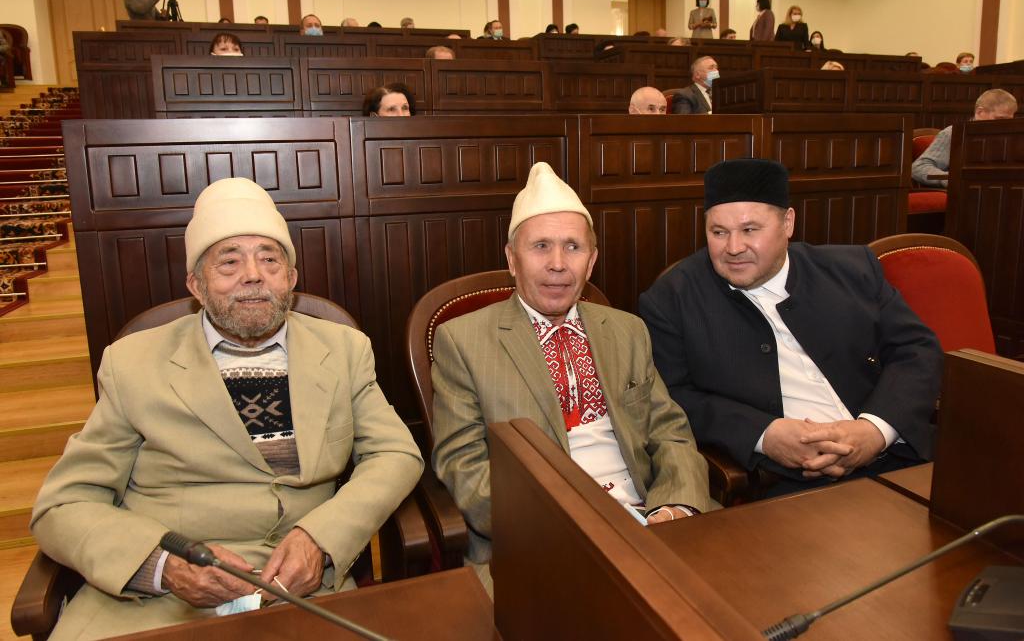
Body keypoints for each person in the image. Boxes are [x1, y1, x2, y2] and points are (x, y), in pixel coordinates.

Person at [30, 177, 423, 639]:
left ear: (291, 278)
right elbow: (64, 504)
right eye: (229, 261)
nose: (253, 275)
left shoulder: (343, 349)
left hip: (301, 588)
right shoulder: (132, 363)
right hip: (159, 602)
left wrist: (321, 538)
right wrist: (161, 566)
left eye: (270, 259)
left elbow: (396, 454)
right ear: (196, 285)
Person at [432, 161, 711, 585]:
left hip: (649, 520)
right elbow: (463, 466)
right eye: (540, 246)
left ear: (591, 261)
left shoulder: (627, 330)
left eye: (573, 247)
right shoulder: (462, 341)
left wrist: (675, 507)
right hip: (542, 538)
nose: (558, 264)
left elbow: (670, 431)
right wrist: (563, 525)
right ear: (512, 259)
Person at [639, 159, 943, 499]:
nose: (734, 247)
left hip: (902, 458)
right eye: (718, 232)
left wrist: (875, 430)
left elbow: (917, 349)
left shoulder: (851, 269)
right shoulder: (672, 299)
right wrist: (764, 434)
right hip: (787, 485)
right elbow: (672, 396)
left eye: (750, 230)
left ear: (788, 223)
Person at [911, 89, 1017, 187]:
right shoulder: (953, 133)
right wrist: (951, 179)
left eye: (1009, 120)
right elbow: (919, 168)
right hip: (965, 193)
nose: (1005, 125)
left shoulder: (1013, 137)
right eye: (1000, 118)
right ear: (980, 112)